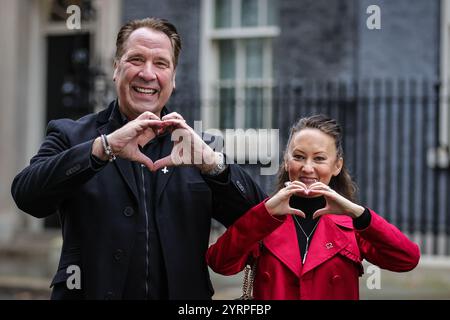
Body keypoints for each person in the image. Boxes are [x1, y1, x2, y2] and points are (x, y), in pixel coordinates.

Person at [11, 17, 265, 300]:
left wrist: (214, 166)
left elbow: (261, 221)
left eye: (161, 63)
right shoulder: (72, 134)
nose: (148, 73)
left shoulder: (199, 147)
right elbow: (27, 195)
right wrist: (101, 150)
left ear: (174, 76)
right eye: (136, 59)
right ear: (115, 68)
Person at [206, 114, 420, 300]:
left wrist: (358, 213)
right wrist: (263, 215)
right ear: (286, 161)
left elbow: (406, 259)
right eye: (298, 157)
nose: (307, 168)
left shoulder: (353, 223)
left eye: (319, 158)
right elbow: (220, 263)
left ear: (337, 166)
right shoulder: (265, 218)